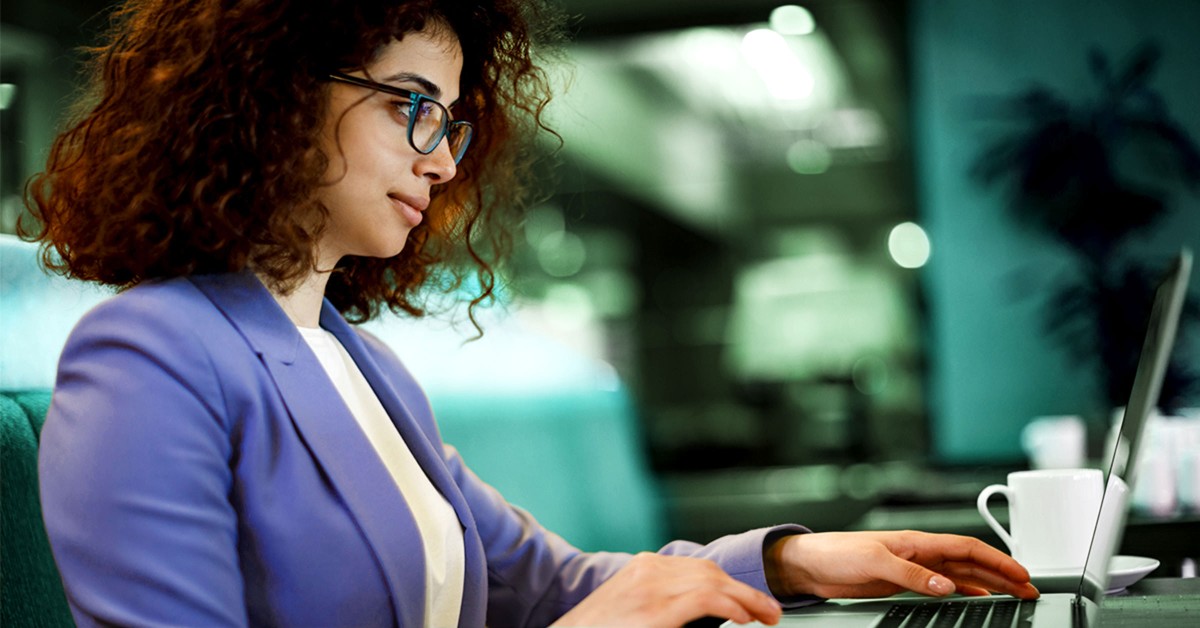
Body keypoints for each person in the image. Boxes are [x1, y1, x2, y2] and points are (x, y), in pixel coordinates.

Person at [25, 0, 1040, 626]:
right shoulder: (148, 352)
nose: (438, 157)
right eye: (410, 104)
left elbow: (538, 581)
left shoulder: (359, 363)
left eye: (452, 122)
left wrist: (793, 560)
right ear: (277, 94)